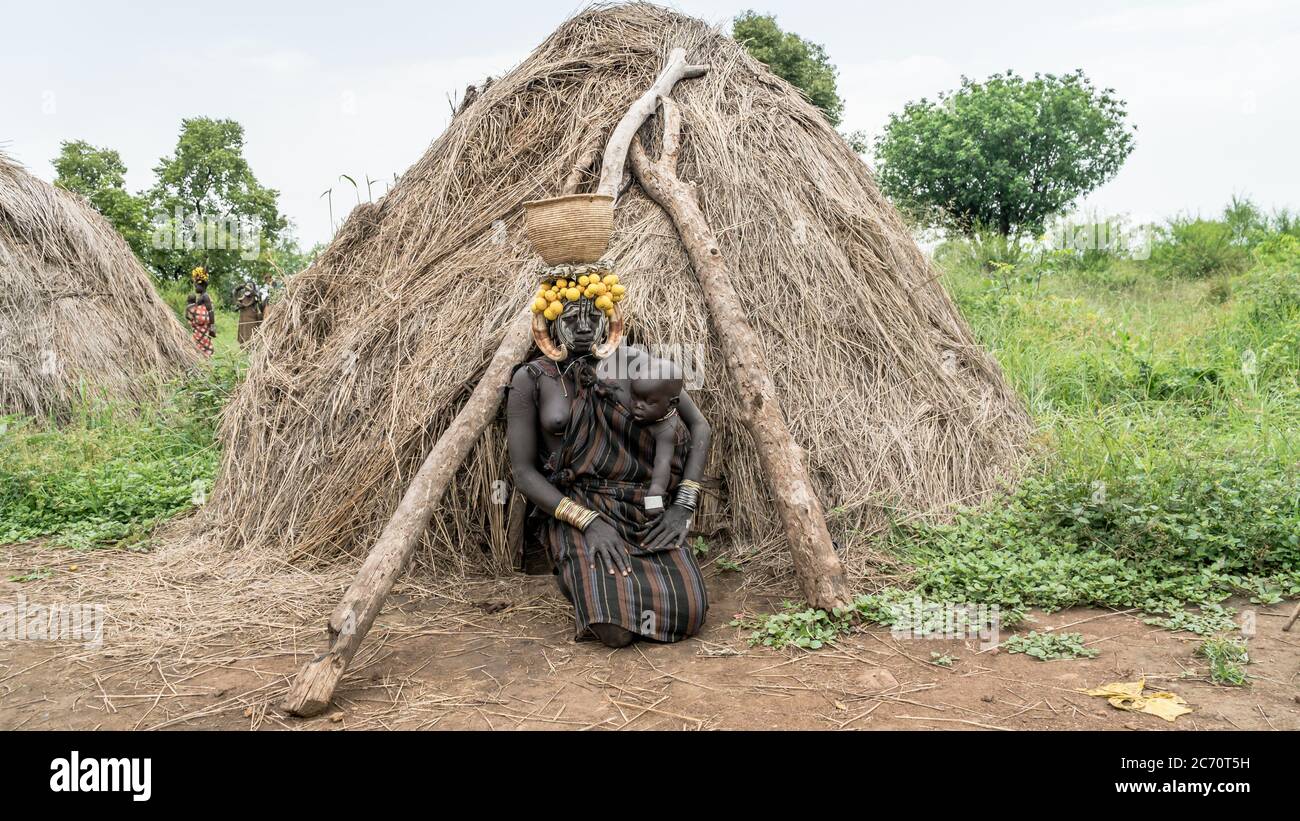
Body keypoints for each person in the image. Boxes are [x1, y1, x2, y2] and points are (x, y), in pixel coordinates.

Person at [506, 265, 712, 648]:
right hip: (578, 507)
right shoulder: (532, 379)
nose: (584, 327)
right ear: (550, 323)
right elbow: (523, 471)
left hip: (642, 506)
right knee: (613, 630)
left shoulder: (633, 362)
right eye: (572, 319)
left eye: (594, 316)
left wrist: (682, 506)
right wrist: (588, 523)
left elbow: (699, 426)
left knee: (689, 613)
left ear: (610, 317)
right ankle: (584, 574)